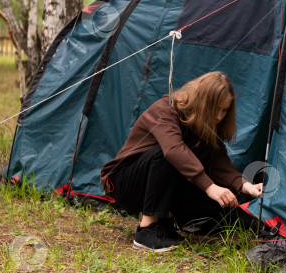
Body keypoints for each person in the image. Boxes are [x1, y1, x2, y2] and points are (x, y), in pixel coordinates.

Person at [100, 71, 263, 252]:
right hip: (125, 183)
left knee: (216, 200)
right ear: (202, 103)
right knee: (169, 155)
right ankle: (147, 230)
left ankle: (165, 224)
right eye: (215, 109)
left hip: (155, 185)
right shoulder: (166, 109)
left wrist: (246, 186)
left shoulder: (208, 124)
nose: (219, 116)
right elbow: (173, 149)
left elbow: (218, 162)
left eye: (224, 110)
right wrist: (210, 187)